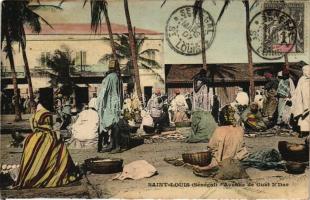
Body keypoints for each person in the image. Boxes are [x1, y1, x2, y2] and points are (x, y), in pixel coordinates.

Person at [14, 95, 81, 189]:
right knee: (60, 149)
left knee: (34, 157)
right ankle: (53, 172)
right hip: (46, 137)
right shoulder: (46, 113)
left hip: (33, 138)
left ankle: (32, 174)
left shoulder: (36, 113)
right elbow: (49, 127)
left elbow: (34, 127)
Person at [193, 103, 249, 173]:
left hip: (222, 159)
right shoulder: (240, 129)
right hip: (237, 158)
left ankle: (210, 167)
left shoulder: (219, 130)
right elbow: (241, 146)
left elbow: (212, 147)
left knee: (213, 154)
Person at [97, 60, 123, 153]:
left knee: (114, 125)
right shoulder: (117, 77)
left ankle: (117, 146)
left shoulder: (111, 77)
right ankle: (112, 145)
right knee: (112, 125)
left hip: (110, 104)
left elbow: (104, 90)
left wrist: (99, 102)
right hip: (113, 103)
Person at [292, 65, 310, 137]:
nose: (306, 72)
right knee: (304, 117)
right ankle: (304, 132)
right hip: (304, 102)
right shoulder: (302, 79)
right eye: (305, 71)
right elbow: (298, 91)